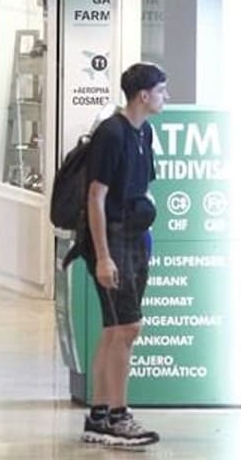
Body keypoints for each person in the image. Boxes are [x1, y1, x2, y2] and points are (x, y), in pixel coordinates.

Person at [80, 62, 168, 448]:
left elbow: (142, 184)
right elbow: (95, 198)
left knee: (116, 329)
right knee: (127, 328)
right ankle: (118, 415)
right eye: (162, 90)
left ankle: (99, 415)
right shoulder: (111, 134)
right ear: (143, 95)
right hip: (112, 239)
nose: (166, 96)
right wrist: (102, 256)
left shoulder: (143, 133)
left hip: (135, 236)